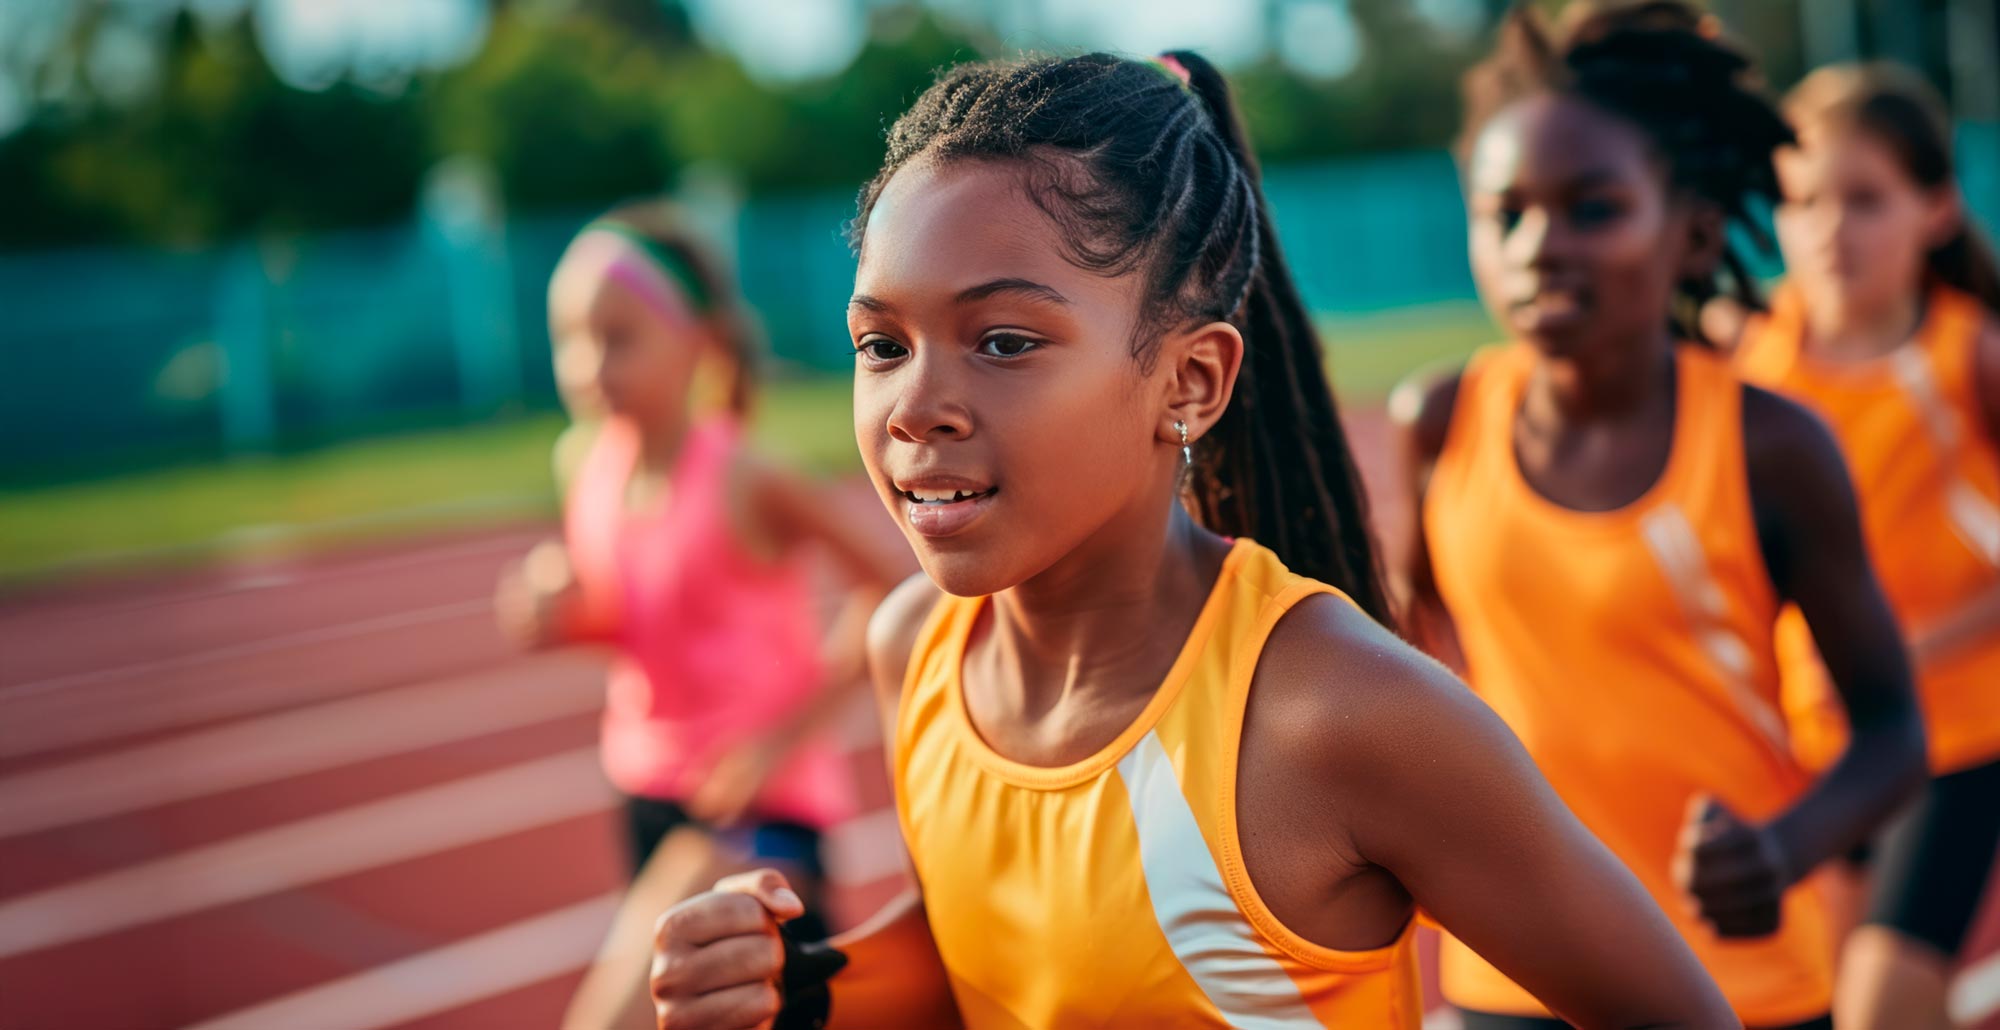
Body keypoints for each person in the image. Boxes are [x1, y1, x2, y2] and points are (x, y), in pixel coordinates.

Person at [649, 49, 1738, 1030]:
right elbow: (988, 958)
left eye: (1004, 340)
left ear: (1190, 379)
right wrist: (794, 985)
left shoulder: (1332, 713)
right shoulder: (915, 649)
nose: (915, 406)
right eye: (880, 344)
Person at [1394, 5, 1929, 1029]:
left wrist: (1782, 850)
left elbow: (1892, 733)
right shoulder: (1442, 420)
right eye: (1504, 215)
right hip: (1507, 972)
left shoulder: (1769, 447)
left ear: (1692, 233)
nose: (1538, 247)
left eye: (1591, 209)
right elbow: (1419, 655)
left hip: (1726, 981)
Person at [492, 202, 906, 1028]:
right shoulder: (586, 465)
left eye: (618, 337)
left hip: (758, 807)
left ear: (697, 339)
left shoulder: (751, 476)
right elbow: (630, 624)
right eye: (570, 339)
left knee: (611, 1018)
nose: (589, 366)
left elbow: (892, 588)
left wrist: (779, 742)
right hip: (647, 789)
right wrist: (553, 612)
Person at [1728, 62, 2000, 1030]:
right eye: (1802, 201)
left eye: (1864, 199)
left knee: (1880, 1007)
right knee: (1827, 1003)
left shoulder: (1969, 356)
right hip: (1809, 743)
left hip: (1953, 733)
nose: (1828, 229)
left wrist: (1905, 652)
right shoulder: (1745, 354)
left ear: (1936, 206)